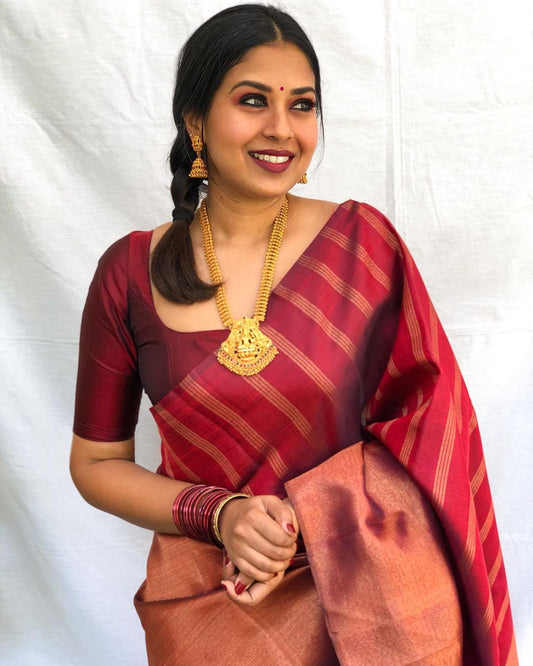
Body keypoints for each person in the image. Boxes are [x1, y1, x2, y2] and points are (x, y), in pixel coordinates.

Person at [70, 4, 517, 664]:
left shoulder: (363, 248)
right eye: (252, 100)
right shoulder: (129, 273)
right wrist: (221, 514)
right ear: (195, 120)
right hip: (210, 607)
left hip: (378, 605)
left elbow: (434, 434)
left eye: (301, 105)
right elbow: (96, 465)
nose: (281, 128)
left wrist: (307, 514)